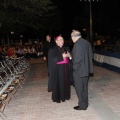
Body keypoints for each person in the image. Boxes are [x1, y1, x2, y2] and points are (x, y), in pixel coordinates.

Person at [71, 30, 93, 110]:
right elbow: (90, 56)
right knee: (84, 88)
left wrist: (74, 68)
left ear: (75, 36)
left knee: (79, 89)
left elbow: (77, 59)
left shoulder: (77, 44)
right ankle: (85, 103)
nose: (71, 39)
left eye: (71, 37)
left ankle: (82, 105)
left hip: (79, 71)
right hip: (86, 70)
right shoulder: (87, 43)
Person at [48, 36, 72, 103]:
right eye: (60, 39)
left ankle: (65, 96)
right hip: (58, 70)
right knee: (58, 83)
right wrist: (62, 56)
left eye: (62, 39)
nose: (62, 41)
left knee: (66, 82)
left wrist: (69, 56)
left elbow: (70, 57)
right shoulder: (52, 50)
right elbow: (52, 60)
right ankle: (57, 97)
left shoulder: (66, 48)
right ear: (56, 41)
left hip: (66, 69)